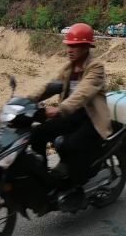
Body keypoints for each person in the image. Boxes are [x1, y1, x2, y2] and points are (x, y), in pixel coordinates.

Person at [28, 22, 112, 209]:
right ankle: (44, 180)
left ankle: (77, 185)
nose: (70, 49)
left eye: (75, 45)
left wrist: (58, 109)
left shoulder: (95, 67)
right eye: (68, 45)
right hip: (72, 115)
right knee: (38, 133)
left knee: (68, 144)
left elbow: (83, 92)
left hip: (91, 118)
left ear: (86, 47)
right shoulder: (68, 68)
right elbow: (50, 87)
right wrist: (26, 100)